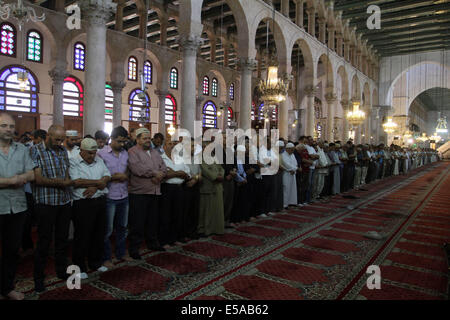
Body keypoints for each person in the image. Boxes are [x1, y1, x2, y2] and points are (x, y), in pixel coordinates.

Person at [31, 125, 73, 293]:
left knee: (62, 239)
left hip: (63, 201)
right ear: (48, 135)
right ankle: (38, 278)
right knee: (43, 241)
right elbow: (38, 179)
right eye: (56, 139)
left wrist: (67, 184)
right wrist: (60, 183)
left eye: (62, 140)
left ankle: (61, 270)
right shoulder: (36, 150)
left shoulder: (62, 151)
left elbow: (67, 173)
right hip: (45, 202)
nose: (59, 143)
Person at [0, 113, 36, 300]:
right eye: (4, 125)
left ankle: (7, 287)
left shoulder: (21, 148)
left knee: (12, 250)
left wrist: (22, 178)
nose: (8, 129)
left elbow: (31, 174)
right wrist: (10, 181)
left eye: (11, 126)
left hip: (18, 207)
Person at [70, 138, 111, 279]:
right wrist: (99, 183)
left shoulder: (98, 159)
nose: (92, 156)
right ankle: (79, 266)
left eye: (94, 153)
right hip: (83, 203)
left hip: (100, 201)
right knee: (82, 236)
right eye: (89, 153)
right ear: (81, 150)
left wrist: (96, 185)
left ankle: (95, 263)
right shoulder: (73, 161)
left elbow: (107, 176)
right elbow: (77, 181)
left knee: (99, 234)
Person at [128, 128, 166, 259]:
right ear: (137, 139)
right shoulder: (132, 152)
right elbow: (137, 169)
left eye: (148, 138)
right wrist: (154, 173)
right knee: (137, 223)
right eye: (144, 138)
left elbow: (164, 167)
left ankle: (153, 243)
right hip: (139, 193)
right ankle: (134, 249)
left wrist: (160, 176)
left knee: (152, 220)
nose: (147, 140)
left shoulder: (155, 152)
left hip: (155, 191)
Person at [97, 126, 132, 269]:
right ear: (111, 139)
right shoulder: (101, 154)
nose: (122, 145)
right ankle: (105, 257)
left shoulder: (125, 153)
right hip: (109, 195)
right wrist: (112, 177)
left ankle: (121, 253)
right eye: (119, 141)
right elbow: (98, 175)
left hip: (123, 194)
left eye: (124, 142)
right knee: (108, 230)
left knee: (122, 227)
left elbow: (128, 170)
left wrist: (126, 176)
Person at [160, 139, 190, 249]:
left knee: (178, 214)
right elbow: (164, 174)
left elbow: (187, 173)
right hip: (167, 188)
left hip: (179, 188)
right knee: (166, 215)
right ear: (164, 146)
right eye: (169, 144)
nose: (172, 146)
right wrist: (179, 173)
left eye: (174, 144)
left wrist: (174, 173)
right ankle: (164, 240)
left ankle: (175, 238)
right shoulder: (161, 158)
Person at [198, 141, 225, 237]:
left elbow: (221, 168)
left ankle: (216, 228)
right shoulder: (200, 158)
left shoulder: (214, 157)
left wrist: (221, 175)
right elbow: (205, 171)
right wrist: (215, 177)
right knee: (207, 210)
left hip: (217, 186)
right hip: (208, 186)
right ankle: (205, 230)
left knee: (217, 209)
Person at [280, 143, 298, 209]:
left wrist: (294, 169)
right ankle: (285, 204)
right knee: (286, 189)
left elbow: (295, 163)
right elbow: (286, 163)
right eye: (292, 149)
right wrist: (292, 169)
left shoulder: (292, 155)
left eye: (293, 149)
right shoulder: (283, 155)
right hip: (286, 173)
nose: (293, 151)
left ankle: (291, 202)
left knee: (292, 188)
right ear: (287, 149)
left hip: (293, 173)